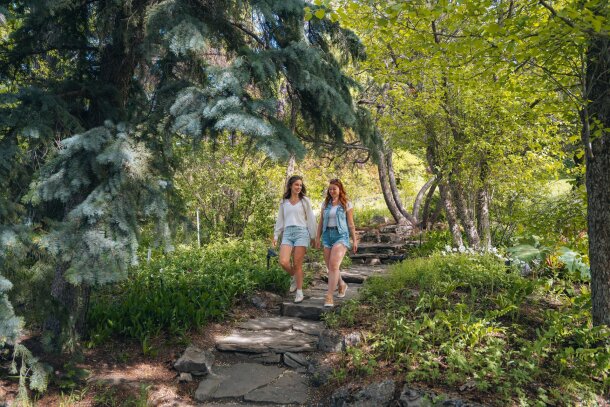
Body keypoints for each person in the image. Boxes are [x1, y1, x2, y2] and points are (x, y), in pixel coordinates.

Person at [273, 175, 317, 303]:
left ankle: (299, 292)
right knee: (283, 261)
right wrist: (276, 235)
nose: (299, 187)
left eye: (300, 185)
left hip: (301, 232)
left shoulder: (305, 201)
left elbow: (311, 219)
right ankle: (293, 276)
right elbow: (280, 220)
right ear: (291, 185)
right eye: (296, 184)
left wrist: (313, 236)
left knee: (297, 263)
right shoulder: (284, 202)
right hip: (287, 233)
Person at [315, 178, 358, 308]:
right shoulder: (325, 204)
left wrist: (354, 240)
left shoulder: (346, 204)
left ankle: (329, 296)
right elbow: (321, 222)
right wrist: (318, 238)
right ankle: (341, 284)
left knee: (333, 265)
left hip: (341, 236)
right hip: (327, 236)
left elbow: (350, 224)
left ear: (340, 189)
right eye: (330, 188)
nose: (332, 191)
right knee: (331, 267)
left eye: (334, 188)